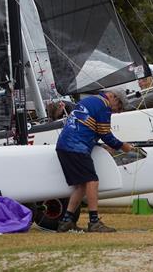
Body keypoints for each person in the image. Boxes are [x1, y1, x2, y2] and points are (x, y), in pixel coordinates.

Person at [55, 90, 134, 233]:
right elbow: (106, 134)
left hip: (63, 146)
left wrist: (98, 145)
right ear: (113, 97)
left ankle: (66, 222)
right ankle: (94, 222)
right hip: (76, 147)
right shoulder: (104, 106)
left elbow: (84, 127)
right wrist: (123, 146)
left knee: (81, 186)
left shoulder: (90, 101)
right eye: (119, 107)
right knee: (92, 181)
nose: (118, 111)